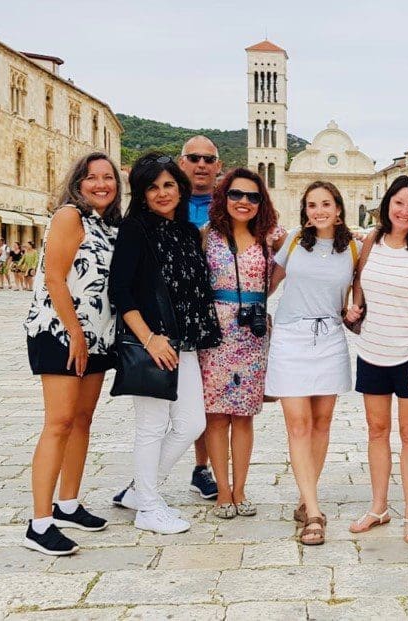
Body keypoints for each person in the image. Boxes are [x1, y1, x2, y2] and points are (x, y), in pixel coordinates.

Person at [109, 153, 222, 535]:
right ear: (140, 193)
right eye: (152, 187)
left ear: (181, 187)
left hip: (185, 341)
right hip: (152, 342)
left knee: (192, 423)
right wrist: (150, 338)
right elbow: (120, 291)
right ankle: (149, 507)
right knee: (152, 426)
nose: (161, 193)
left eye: (168, 185)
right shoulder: (135, 228)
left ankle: (140, 491)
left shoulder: (189, 232)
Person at [20, 152, 122, 556]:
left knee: (82, 420)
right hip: (60, 333)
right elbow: (54, 277)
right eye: (91, 177)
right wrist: (76, 335)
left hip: (97, 336)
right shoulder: (69, 216)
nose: (101, 184)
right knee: (59, 422)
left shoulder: (107, 225)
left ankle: (68, 503)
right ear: (77, 182)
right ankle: (39, 523)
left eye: (108, 177)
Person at [267, 181, 363, 545]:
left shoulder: (355, 247)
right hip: (291, 338)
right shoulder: (292, 241)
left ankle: (305, 498)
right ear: (304, 210)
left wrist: (355, 308)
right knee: (299, 425)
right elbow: (268, 286)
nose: (318, 210)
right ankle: (314, 511)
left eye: (326, 204)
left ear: (339, 208)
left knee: (322, 424)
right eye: (312, 205)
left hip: (330, 340)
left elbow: (358, 293)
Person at [348, 175, 408, 545]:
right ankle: (378, 507)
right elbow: (359, 282)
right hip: (372, 351)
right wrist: (354, 306)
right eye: (399, 203)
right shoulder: (371, 240)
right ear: (388, 204)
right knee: (376, 431)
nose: (404, 211)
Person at [198, 168, 277, 521]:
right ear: (223, 196)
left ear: (262, 202)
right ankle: (223, 492)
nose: (244, 202)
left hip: (253, 334)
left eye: (252, 196)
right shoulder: (207, 236)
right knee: (216, 417)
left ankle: (241, 489)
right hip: (215, 333)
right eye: (236, 194)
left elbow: (278, 276)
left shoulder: (270, 239)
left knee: (244, 417)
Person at [178, 135, 223, 501]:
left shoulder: (229, 206)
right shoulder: (167, 201)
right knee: (167, 400)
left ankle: (202, 467)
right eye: (194, 158)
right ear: (182, 163)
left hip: (216, 313)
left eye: (209, 159)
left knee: (209, 400)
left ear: (218, 166)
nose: (202, 164)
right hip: (173, 314)